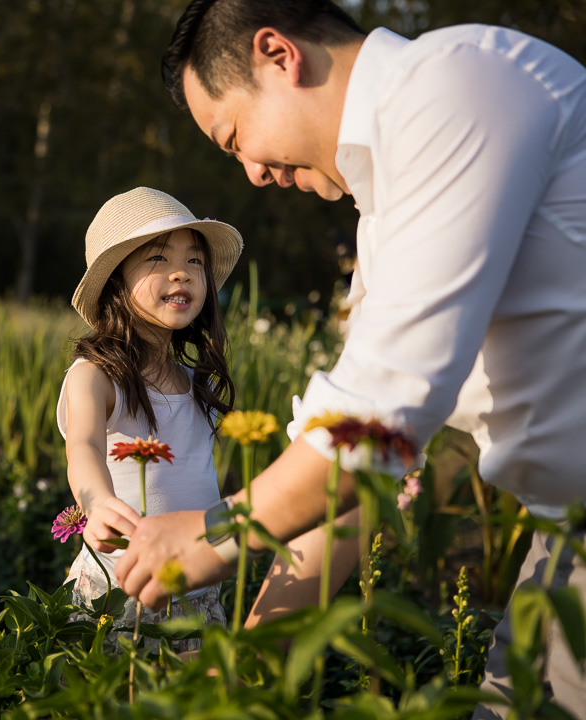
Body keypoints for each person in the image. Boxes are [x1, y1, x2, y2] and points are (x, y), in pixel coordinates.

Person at [111, 1, 586, 716]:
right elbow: (360, 467)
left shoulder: (457, 86)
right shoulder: (391, 216)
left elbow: (386, 413)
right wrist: (241, 672)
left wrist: (215, 535)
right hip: (563, 540)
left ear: (278, 54)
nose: (253, 173)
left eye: (235, 135)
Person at [57, 186, 242, 650]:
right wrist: (97, 503)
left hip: (197, 593)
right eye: (158, 258)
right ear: (115, 281)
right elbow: (82, 446)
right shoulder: (96, 375)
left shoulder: (193, 381)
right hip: (121, 591)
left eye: (195, 261)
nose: (182, 272)